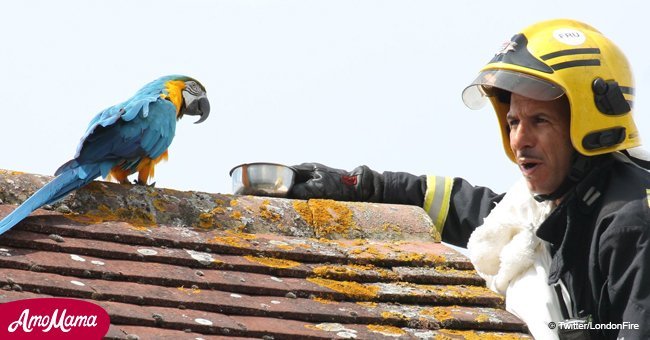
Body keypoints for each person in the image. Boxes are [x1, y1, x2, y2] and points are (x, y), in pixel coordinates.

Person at [284, 19, 650, 339]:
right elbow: (475, 212)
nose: (519, 140)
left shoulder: (630, 225)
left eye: (540, 120)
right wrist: (364, 186)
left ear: (591, 125)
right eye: (513, 122)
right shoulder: (556, 208)